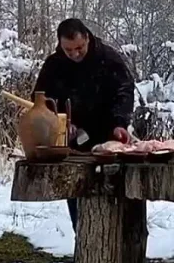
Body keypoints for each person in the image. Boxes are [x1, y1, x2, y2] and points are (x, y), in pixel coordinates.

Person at [32, 18, 135, 232]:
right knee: (76, 192)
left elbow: (124, 92)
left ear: (87, 38)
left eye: (79, 48)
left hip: (107, 137)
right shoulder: (54, 65)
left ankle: (115, 245)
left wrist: (119, 123)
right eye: (69, 50)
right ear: (60, 45)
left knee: (110, 193)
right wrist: (57, 122)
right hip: (71, 142)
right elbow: (39, 100)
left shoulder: (108, 59)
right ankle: (82, 243)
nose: (75, 54)